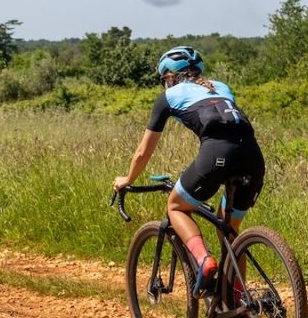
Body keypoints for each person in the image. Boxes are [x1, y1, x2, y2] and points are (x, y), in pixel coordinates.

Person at [111, 45, 265, 296]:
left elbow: (143, 152)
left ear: (170, 76)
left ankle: (204, 261)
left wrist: (127, 179)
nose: (165, 84)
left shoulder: (169, 96)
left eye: (164, 79)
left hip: (217, 153)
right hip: (253, 157)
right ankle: (239, 303)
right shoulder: (221, 87)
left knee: (176, 206)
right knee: (229, 230)